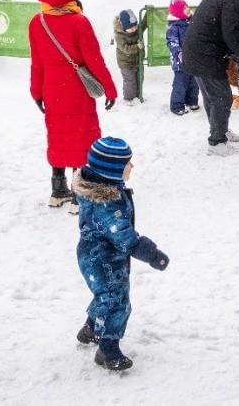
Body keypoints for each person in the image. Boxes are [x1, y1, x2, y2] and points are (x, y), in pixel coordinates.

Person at [73, 137, 169, 371]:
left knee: (105, 295)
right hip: (102, 259)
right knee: (116, 301)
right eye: (128, 163)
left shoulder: (104, 190)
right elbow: (125, 238)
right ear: (112, 170)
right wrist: (152, 254)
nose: (132, 167)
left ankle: (91, 329)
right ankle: (108, 349)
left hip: (99, 254)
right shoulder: (107, 204)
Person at [29, 0, 118, 207]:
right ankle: (79, 195)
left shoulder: (37, 22)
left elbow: (36, 61)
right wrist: (110, 89)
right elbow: (94, 60)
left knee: (58, 137)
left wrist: (36, 91)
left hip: (52, 90)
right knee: (82, 137)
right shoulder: (78, 21)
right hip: (77, 90)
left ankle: (57, 191)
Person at [181, 0, 239, 156]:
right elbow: (232, 33)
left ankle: (220, 130)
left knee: (211, 96)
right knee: (221, 97)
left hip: (198, 50)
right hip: (206, 53)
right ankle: (217, 142)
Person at [165, 0, 198, 114]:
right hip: (180, 61)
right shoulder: (173, 27)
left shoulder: (193, 22)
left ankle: (191, 100)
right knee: (181, 84)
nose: (188, 9)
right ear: (178, 13)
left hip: (193, 59)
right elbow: (172, 42)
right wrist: (179, 53)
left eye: (187, 6)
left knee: (194, 82)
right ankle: (177, 105)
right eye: (184, 8)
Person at [112, 9, 144, 105]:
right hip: (125, 62)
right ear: (123, 27)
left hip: (136, 60)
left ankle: (137, 96)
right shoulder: (119, 35)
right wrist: (137, 47)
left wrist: (148, 15)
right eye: (131, 28)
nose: (134, 29)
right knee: (130, 80)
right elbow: (125, 48)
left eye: (135, 26)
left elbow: (143, 25)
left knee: (139, 78)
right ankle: (129, 99)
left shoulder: (136, 30)